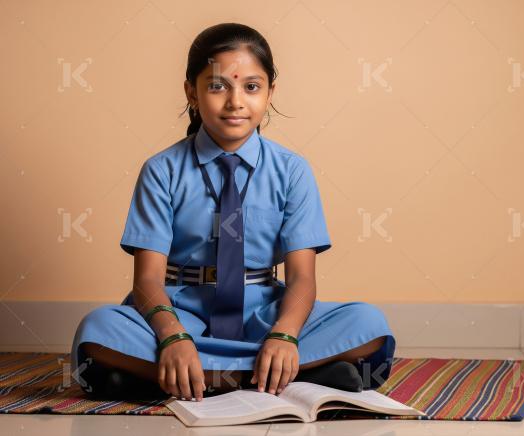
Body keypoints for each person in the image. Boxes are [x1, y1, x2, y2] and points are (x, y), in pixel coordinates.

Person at [69, 23, 396, 402]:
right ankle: (273, 377)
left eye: (251, 87)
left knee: (368, 322)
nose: (235, 101)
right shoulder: (162, 170)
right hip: (182, 312)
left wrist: (284, 335)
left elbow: (303, 279)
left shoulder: (292, 171)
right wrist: (173, 336)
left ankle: (194, 379)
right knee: (97, 330)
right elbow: (146, 281)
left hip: (264, 315)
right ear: (191, 91)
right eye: (217, 86)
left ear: (271, 92)